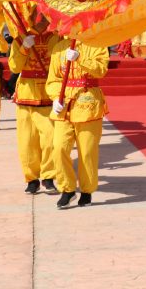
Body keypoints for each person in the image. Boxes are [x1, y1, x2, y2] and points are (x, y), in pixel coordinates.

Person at [48, 37, 110, 209]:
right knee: (59, 147)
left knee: (87, 152)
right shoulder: (59, 48)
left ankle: (86, 190)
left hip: (88, 104)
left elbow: (101, 70)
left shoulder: (98, 44)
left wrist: (80, 58)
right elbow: (53, 79)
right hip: (64, 105)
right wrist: (55, 98)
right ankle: (67, 188)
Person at [8, 15, 59, 195]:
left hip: (48, 95)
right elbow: (14, 67)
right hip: (26, 95)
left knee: (51, 138)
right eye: (37, 15)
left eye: (45, 15)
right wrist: (23, 49)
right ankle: (31, 179)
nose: (41, 19)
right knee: (27, 141)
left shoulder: (56, 37)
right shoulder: (20, 38)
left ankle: (48, 176)